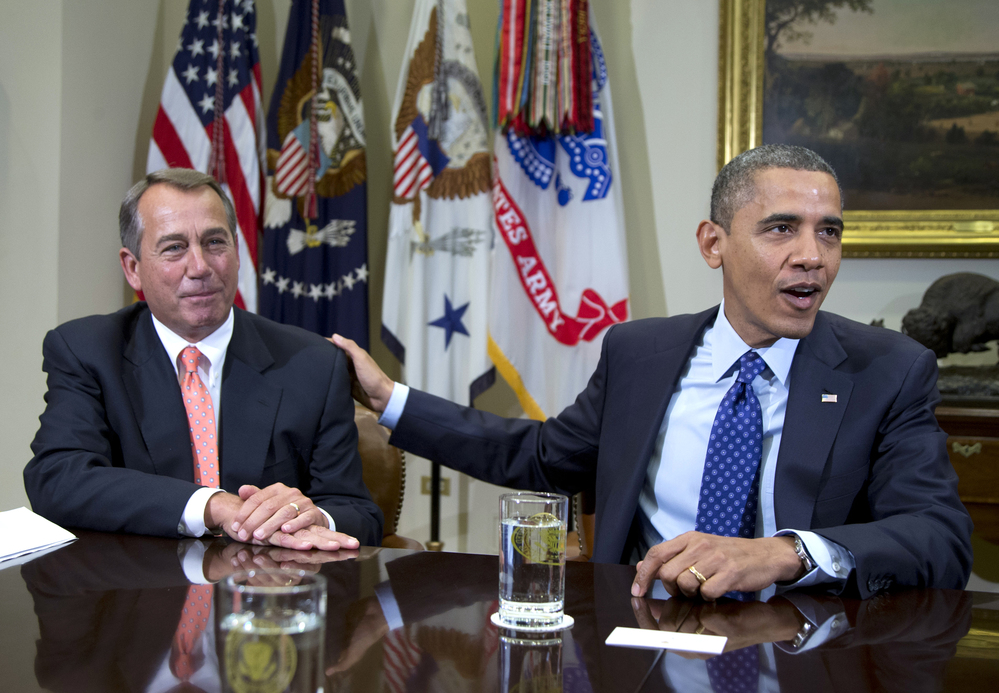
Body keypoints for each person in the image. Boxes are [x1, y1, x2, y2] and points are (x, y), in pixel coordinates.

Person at [333, 144, 972, 598]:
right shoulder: (641, 354)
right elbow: (541, 456)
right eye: (782, 229)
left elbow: (938, 538)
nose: (812, 257)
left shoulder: (888, 371)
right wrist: (392, 400)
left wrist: (784, 553)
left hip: (801, 647)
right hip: (641, 633)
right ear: (712, 243)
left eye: (828, 233)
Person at [24, 169, 382, 550]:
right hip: (140, 595)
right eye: (174, 247)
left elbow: (357, 513)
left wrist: (311, 517)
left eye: (214, 242)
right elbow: (58, 480)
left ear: (237, 252)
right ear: (133, 268)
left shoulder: (312, 362)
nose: (199, 268)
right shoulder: (87, 350)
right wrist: (212, 505)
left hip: (264, 596)